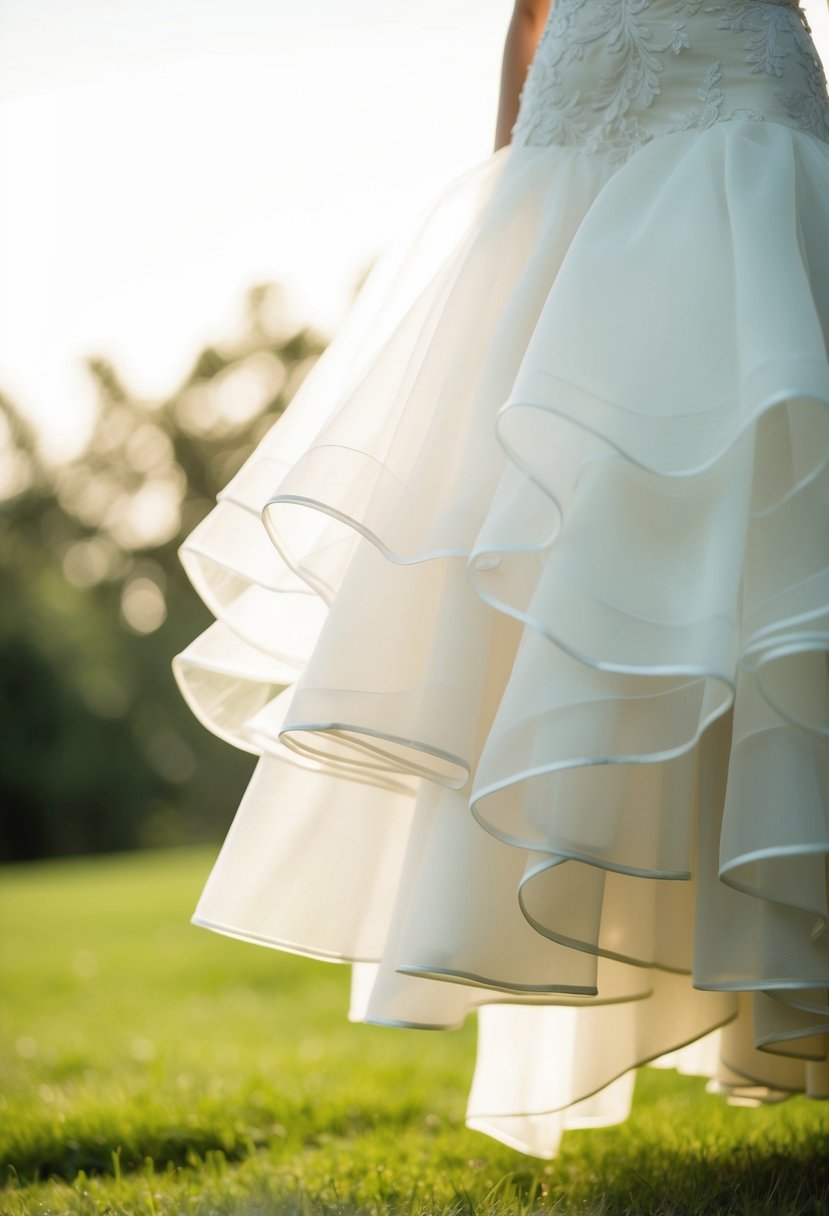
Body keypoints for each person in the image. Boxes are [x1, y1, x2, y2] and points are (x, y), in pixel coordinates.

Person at [174, 0, 829, 1160]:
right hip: (578, 89)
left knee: (766, 493)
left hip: (734, 65)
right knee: (561, 511)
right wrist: (512, 154)